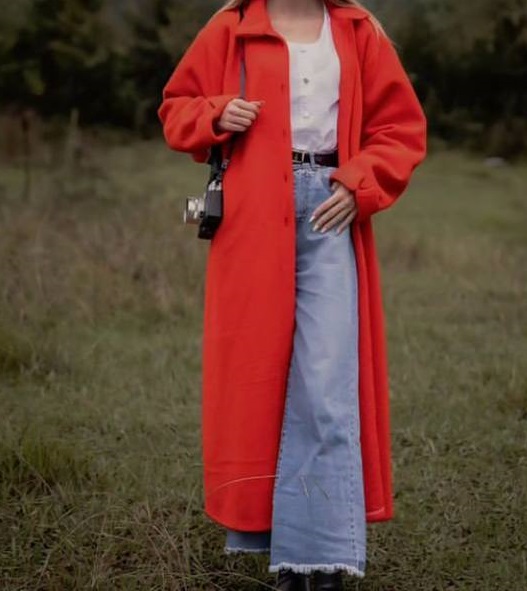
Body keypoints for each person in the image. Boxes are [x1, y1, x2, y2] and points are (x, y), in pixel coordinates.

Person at [157, 0, 427, 588]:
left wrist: (360, 185)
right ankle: (284, 557)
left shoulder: (357, 30)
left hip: (331, 205)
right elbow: (175, 109)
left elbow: (400, 129)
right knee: (261, 383)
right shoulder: (231, 26)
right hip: (252, 211)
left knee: (326, 386)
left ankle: (322, 559)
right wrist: (216, 113)